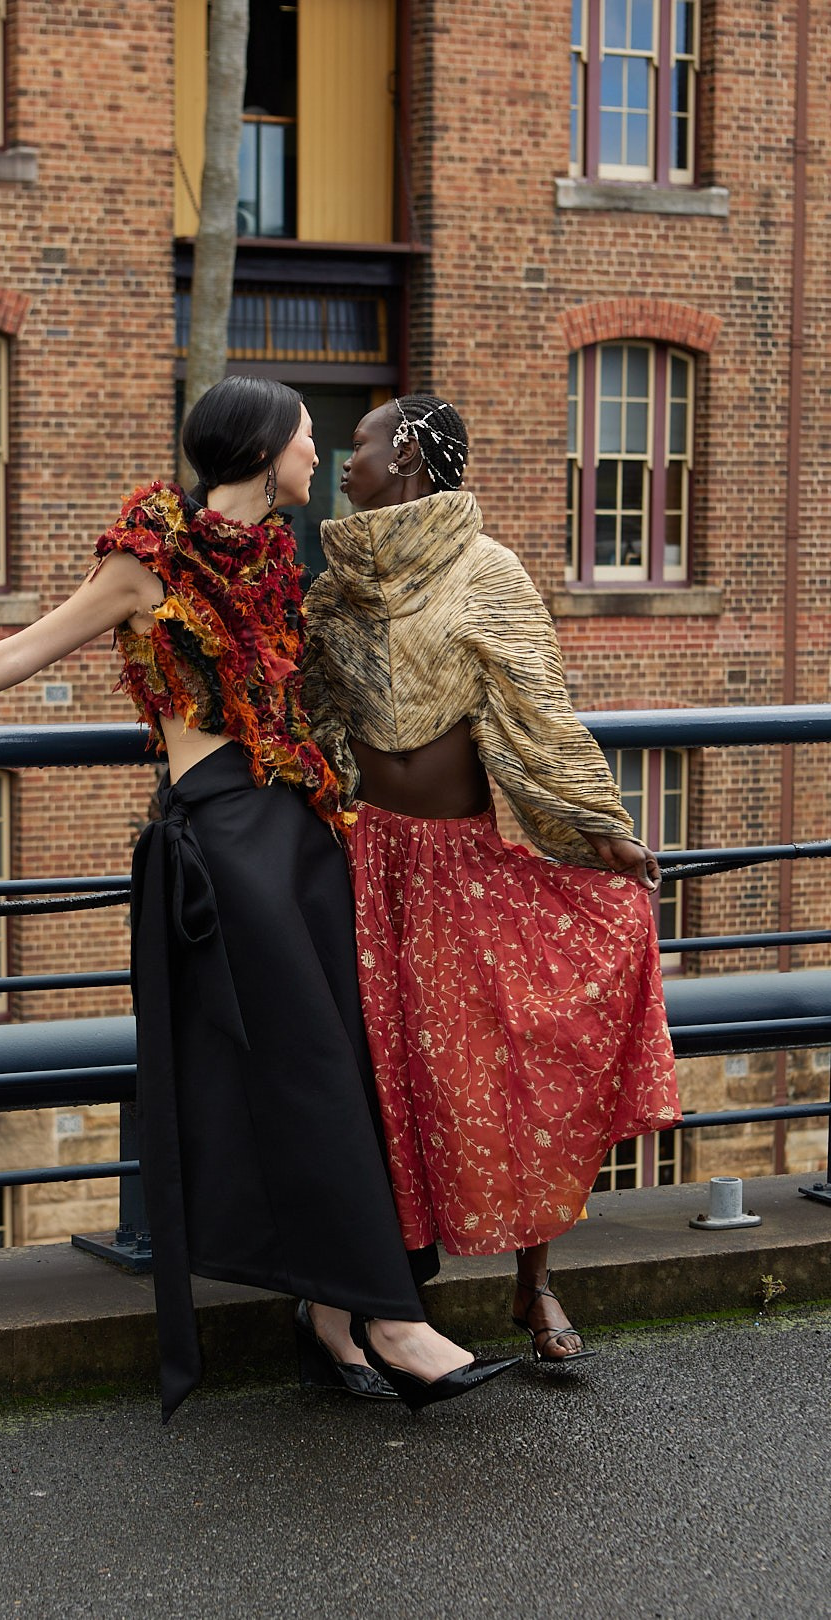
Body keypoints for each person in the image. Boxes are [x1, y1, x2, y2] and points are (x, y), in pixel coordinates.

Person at [0, 376, 517, 1418]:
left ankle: (336, 1315)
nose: (317, 458)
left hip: (304, 828)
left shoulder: (287, 561)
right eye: (307, 441)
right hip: (227, 838)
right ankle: (393, 1323)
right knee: (311, 1072)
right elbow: (23, 648)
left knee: (349, 1065)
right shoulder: (151, 562)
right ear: (266, 448)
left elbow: (344, 692)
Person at [303, 394, 682, 1364]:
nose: (348, 461)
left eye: (367, 446)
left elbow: (540, 714)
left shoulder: (488, 571)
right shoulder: (336, 585)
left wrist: (601, 831)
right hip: (363, 860)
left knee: (510, 1066)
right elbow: (312, 724)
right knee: (378, 1081)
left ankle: (534, 1284)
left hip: (458, 866)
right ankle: (374, 1292)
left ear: (413, 458)